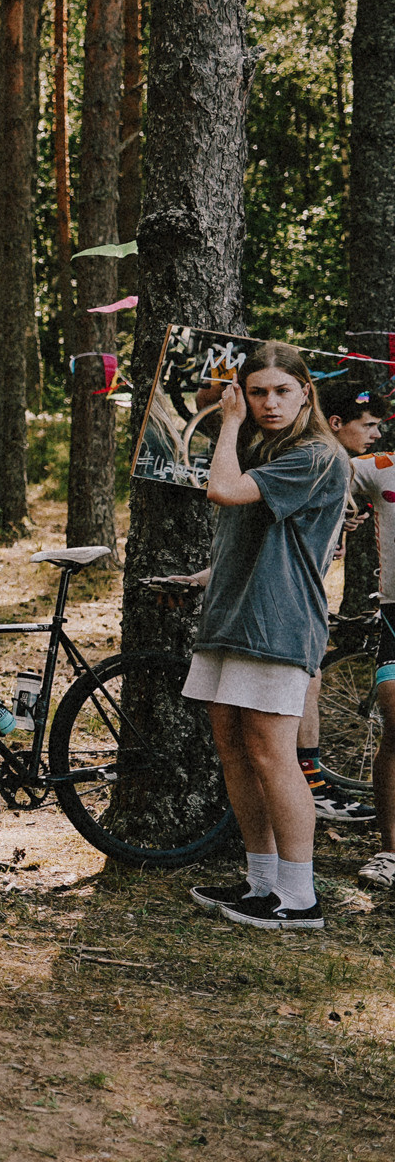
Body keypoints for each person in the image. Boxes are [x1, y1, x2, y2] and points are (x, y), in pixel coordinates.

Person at [177, 341, 349, 931]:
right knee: (234, 748)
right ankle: (262, 882)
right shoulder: (270, 449)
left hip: (278, 623)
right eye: (256, 393)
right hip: (233, 616)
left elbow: (223, 490)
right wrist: (206, 575)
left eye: (281, 391)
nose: (268, 403)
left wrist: (227, 423)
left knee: (274, 756)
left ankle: (300, 899)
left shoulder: (318, 455)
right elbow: (262, 537)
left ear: (306, 391)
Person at [299, 379, 384, 823]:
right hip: (287, 594)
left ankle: (312, 782)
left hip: (304, 590)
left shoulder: (337, 470)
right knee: (306, 680)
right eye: (367, 425)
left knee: (309, 680)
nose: (376, 434)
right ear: (335, 424)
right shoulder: (318, 463)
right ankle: (311, 786)